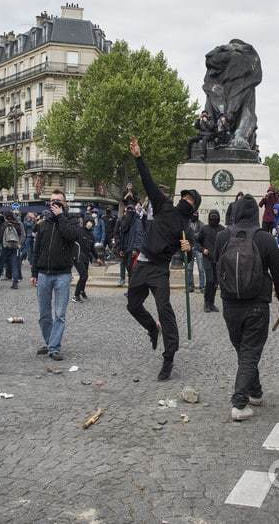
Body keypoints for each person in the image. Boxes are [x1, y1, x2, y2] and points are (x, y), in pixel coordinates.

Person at [127, 137, 198, 381]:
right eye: (185, 197)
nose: (185, 201)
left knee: (164, 309)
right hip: (143, 263)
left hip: (159, 270)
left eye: (190, 200)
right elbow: (148, 183)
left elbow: (190, 259)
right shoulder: (164, 206)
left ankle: (169, 357)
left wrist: (188, 250)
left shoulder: (186, 229)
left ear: (193, 208)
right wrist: (138, 157)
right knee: (132, 305)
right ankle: (151, 328)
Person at [215, 195, 279, 420]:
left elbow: (216, 266)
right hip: (257, 304)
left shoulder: (222, 236)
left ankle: (255, 392)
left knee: (244, 350)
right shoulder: (264, 238)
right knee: (249, 352)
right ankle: (239, 402)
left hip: (229, 304)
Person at [32, 190, 80, 361]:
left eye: (59, 201)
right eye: (52, 201)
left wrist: (60, 217)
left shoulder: (71, 221)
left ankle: (54, 348)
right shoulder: (44, 223)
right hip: (44, 273)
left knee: (59, 314)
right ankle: (49, 341)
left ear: (65, 204)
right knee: (44, 314)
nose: (55, 204)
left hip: (62, 275)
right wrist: (34, 273)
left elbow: (72, 236)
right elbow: (37, 249)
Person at [197, 209, 224, 312]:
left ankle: (211, 303)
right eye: (212, 218)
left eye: (215, 218)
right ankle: (206, 303)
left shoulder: (222, 229)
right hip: (207, 258)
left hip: (217, 259)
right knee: (210, 280)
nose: (214, 219)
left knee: (216, 282)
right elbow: (197, 242)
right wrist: (203, 249)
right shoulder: (204, 229)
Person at [0, 210, 25, 289]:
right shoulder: (17, 224)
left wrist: (1, 243)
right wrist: (19, 244)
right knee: (15, 264)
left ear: (5, 217)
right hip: (15, 247)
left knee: (1, 264)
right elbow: (22, 235)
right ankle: (15, 283)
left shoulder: (4, 225)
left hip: (5, 247)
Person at [115, 199, 144, 288]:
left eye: (131, 210)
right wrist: (120, 248)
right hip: (124, 249)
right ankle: (130, 287)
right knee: (126, 267)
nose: (129, 212)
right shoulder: (124, 222)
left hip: (132, 249)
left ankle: (132, 288)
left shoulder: (137, 222)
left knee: (132, 269)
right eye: (128, 210)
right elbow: (120, 235)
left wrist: (135, 249)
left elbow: (139, 236)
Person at [73, 217, 97, 303]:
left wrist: (97, 258)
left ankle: (82, 291)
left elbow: (92, 248)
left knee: (85, 276)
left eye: (92, 222)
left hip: (86, 258)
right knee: (83, 275)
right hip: (78, 257)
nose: (90, 224)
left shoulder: (91, 235)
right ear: (85, 222)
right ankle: (76, 295)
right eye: (89, 222)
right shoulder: (79, 231)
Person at [186, 212, 205, 293]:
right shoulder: (187, 223)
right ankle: (190, 286)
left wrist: (192, 235)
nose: (194, 216)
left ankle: (202, 286)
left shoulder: (201, 224)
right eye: (193, 214)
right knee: (189, 269)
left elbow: (201, 236)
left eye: (196, 215)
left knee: (201, 269)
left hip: (198, 248)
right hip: (189, 248)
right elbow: (186, 234)